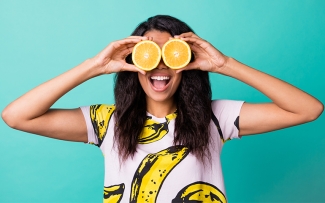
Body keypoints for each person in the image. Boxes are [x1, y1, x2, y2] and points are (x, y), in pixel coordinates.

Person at [2, 15, 323, 203]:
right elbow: (16, 116)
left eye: (170, 54)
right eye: (148, 54)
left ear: (185, 61)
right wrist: (95, 66)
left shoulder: (216, 118)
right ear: (133, 61)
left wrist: (225, 65)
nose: (159, 65)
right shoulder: (107, 122)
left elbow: (308, 110)